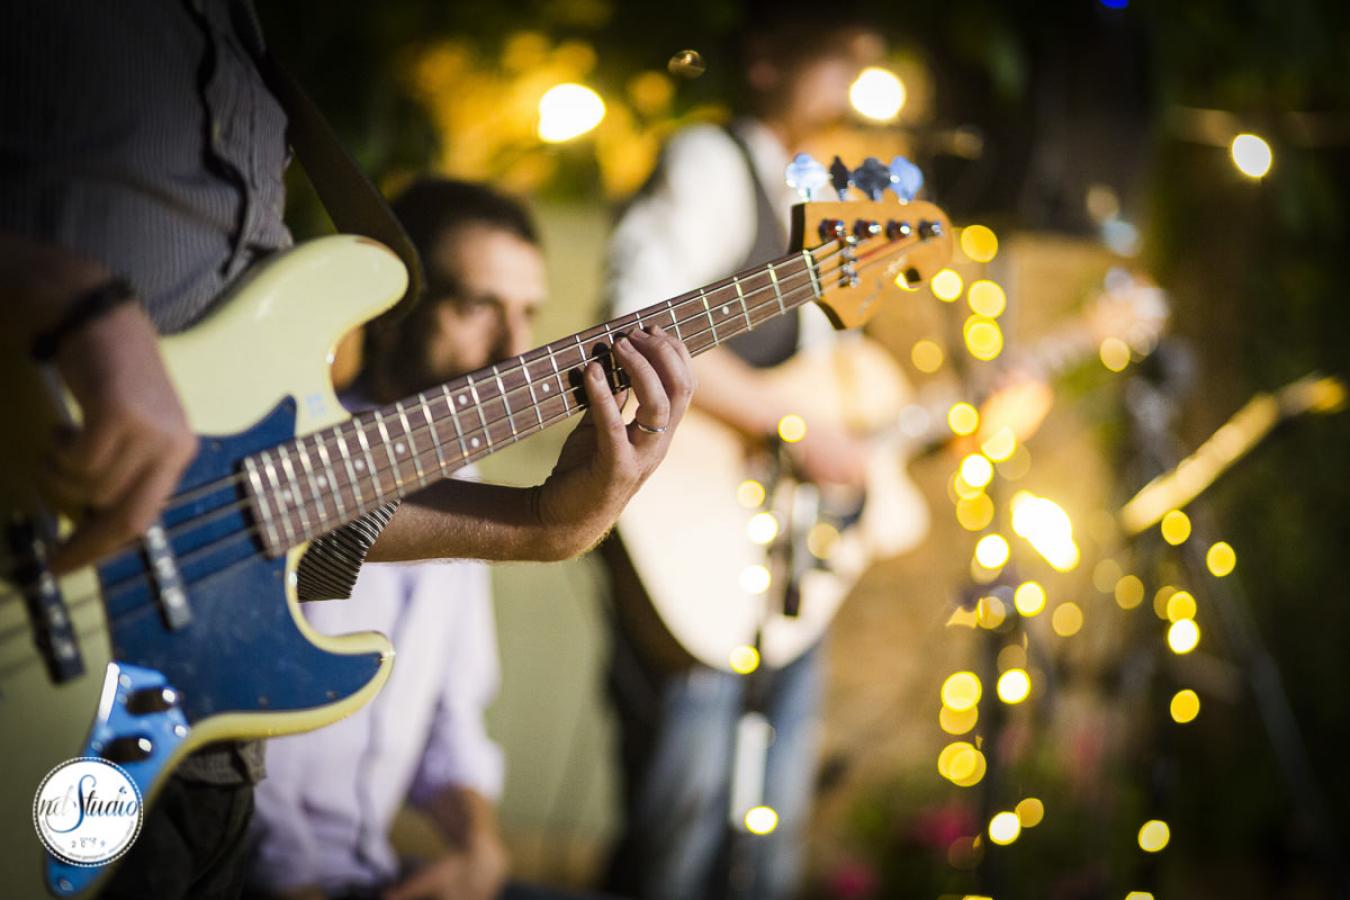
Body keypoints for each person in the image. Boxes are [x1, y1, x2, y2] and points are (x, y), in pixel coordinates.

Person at [0, 5, 693, 898]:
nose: (512, 349)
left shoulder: (247, 33)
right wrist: (64, 295)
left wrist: (544, 524)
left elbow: (255, 501)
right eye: (479, 307)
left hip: (198, 764)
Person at [601, 15, 880, 900]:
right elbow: (635, 326)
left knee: (763, 837)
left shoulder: (801, 189)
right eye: (838, 56)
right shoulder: (710, 161)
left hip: (777, 556)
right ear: (768, 57)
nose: (854, 83)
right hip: (692, 538)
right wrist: (788, 426)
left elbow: (818, 388)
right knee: (680, 829)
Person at [247, 179, 541, 900]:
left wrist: (479, 850)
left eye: (528, 313)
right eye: (477, 308)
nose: (514, 350)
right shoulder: (297, 460)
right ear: (387, 314)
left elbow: (453, 723)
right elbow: (236, 730)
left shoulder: (464, 475)